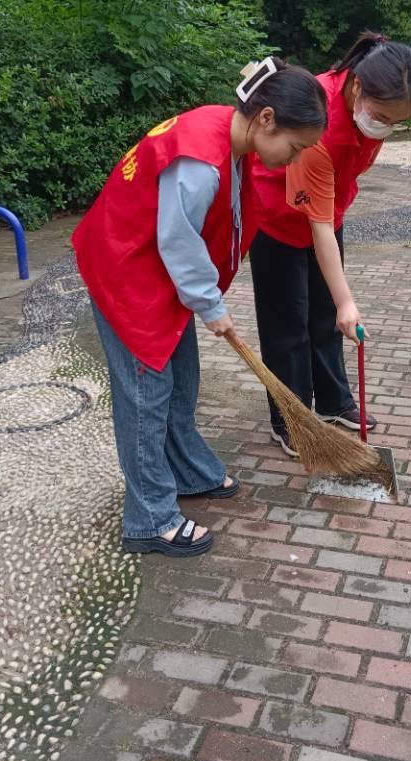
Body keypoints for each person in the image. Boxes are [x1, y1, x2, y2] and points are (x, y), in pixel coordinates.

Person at [72, 58, 327, 557]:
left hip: (156, 274)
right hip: (126, 271)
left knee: (181, 378)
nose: (290, 160)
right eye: (294, 148)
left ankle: (188, 470)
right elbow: (177, 240)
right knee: (147, 394)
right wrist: (210, 305)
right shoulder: (199, 160)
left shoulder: (228, 133)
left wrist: (203, 299)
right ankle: (150, 518)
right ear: (267, 118)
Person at [249, 33, 411, 457]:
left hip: (327, 213)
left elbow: (327, 218)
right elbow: (318, 227)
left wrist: (340, 302)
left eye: (396, 122)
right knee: (288, 324)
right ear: (357, 87)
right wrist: (349, 299)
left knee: (327, 314)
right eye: (381, 116)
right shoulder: (320, 123)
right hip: (276, 217)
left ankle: (332, 402)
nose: (384, 127)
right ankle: (290, 420)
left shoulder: (371, 110)